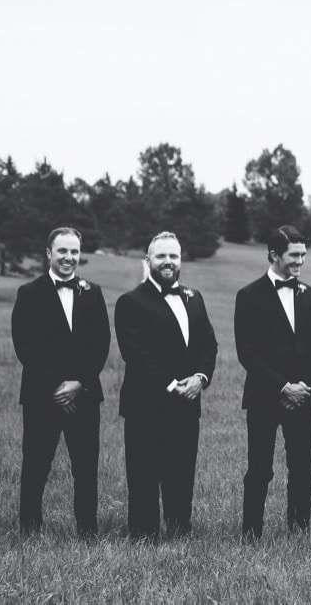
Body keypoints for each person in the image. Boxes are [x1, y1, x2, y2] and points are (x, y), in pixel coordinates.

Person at [115, 231, 218, 539]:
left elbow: (209, 345)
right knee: (144, 473)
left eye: (174, 256)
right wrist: (174, 385)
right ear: (149, 261)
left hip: (187, 404)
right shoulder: (130, 302)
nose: (168, 262)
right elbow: (135, 353)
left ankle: (179, 530)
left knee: (181, 471)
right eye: (161, 256)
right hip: (146, 404)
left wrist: (200, 378)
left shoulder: (194, 297)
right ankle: (144, 535)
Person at [10, 226, 111, 537]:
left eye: (74, 252)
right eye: (63, 251)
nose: (69, 257)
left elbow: (101, 343)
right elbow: (25, 347)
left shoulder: (92, 293)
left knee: (85, 466)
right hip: (43, 395)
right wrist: (57, 385)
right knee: (37, 464)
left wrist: (79, 382)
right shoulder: (29, 294)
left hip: (84, 394)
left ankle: (87, 529)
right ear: (49, 253)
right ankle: (29, 527)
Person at [234, 224, 311, 539]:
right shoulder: (248, 295)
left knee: (301, 467)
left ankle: (299, 529)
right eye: (294, 254)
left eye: (303, 254)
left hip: (302, 396)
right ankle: (251, 532)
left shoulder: (309, 294)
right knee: (259, 468)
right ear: (274, 254)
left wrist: (303, 387)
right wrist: (282, 386)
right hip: (264, 396)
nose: (300, 261)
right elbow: (247, 352)